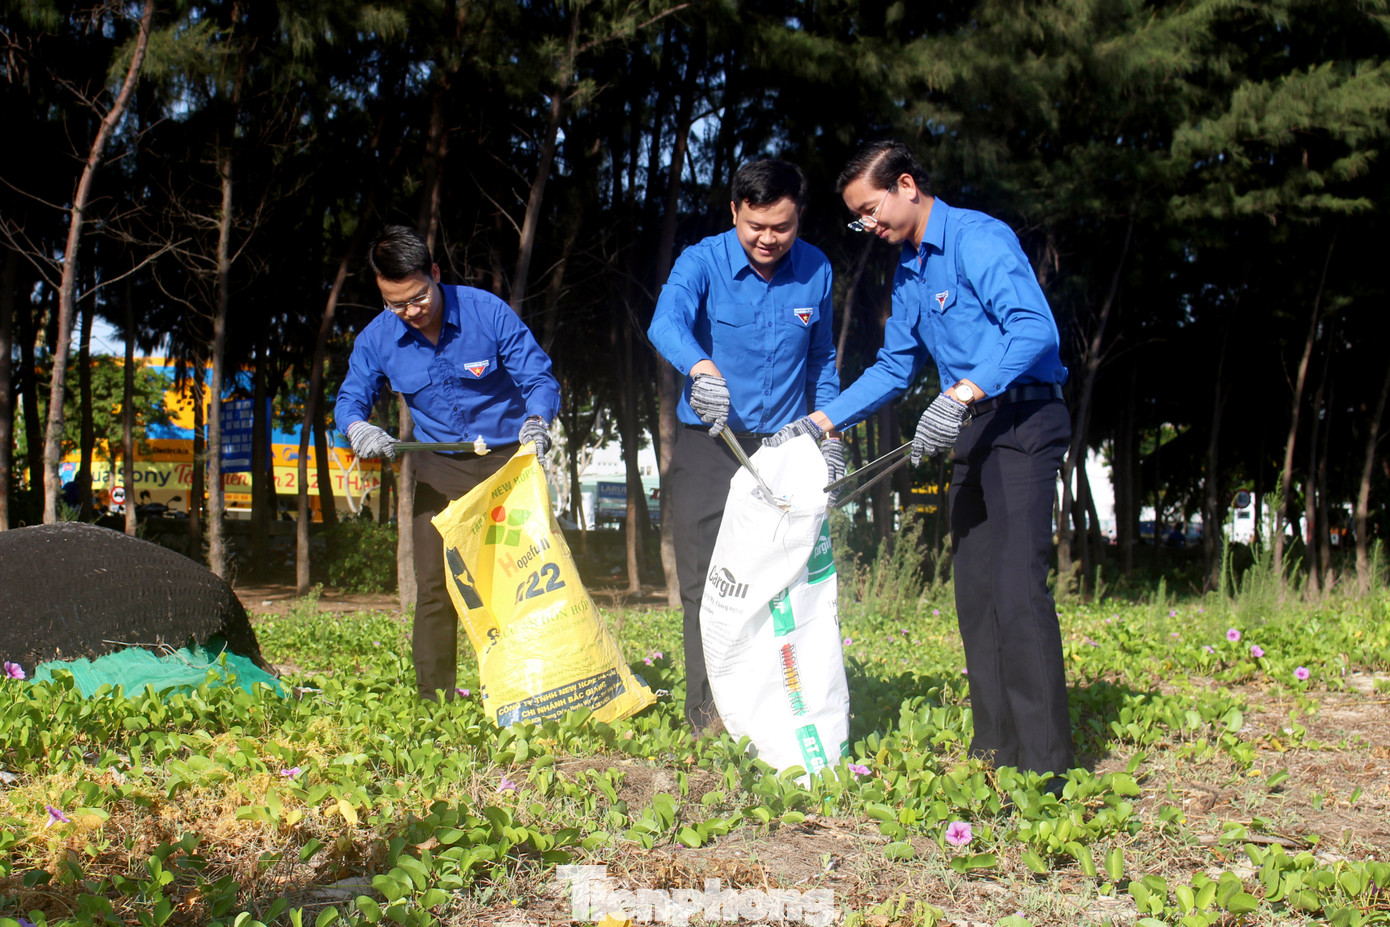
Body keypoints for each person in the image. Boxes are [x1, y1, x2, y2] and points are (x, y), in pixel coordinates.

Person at [769, 139, 1073, 781]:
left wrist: (963, 390)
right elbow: (892, 368)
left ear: (907, 185)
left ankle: (1048, 769)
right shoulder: (908, 272)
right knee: (976, 594)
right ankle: (996, 754)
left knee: (1018, 589)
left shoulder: (977, 239)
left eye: (871, 209)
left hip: (1023, 417)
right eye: (858, 217)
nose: (868, 225)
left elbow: (1033, 328)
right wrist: (816, 423)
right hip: (973, 427)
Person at [647, 158, 841, 736]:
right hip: (710, 443)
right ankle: (707, 716)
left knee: (785, 580)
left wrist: (827, 432)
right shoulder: (701, 260)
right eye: (756, 226)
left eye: (781, 227)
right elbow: (665, 323)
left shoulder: (817, 269)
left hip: (783, 452)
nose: (768, 239)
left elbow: (822, 361)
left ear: (798, 217)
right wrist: (700, 367)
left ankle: (777, 708)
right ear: (734, 211)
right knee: (707, 582)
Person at [336, 225, 561, 700]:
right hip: (439, 472)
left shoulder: (486, 313)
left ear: (434, 274)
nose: (409, 313)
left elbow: (539, 377)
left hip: (509, 468)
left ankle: (533, 691)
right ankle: (433, 700)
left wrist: (537, 422)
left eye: (418, 298)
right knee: (435, 589)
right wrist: (358, 428)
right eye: (395, 304)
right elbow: (351, 400)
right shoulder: (378, 338)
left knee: (522, 584)